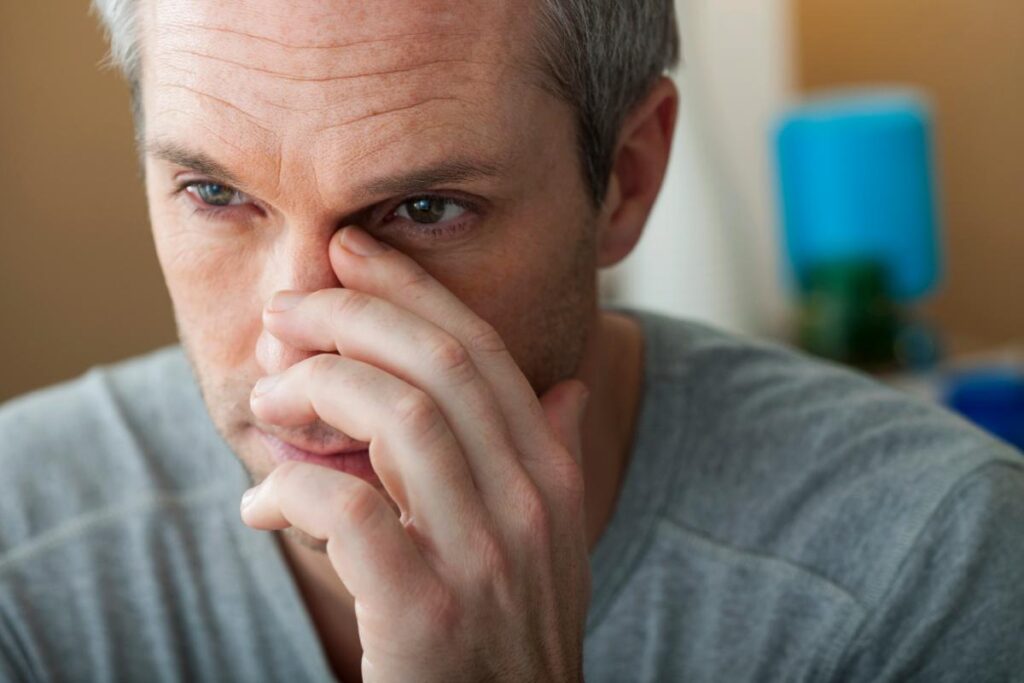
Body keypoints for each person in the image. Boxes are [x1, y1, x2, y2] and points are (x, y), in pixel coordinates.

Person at [2, 0, 1022, 680]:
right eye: (216, 193)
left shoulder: (926, 565)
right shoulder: (21, 564)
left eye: (424, 208)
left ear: (624, 177)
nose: (297, 348)